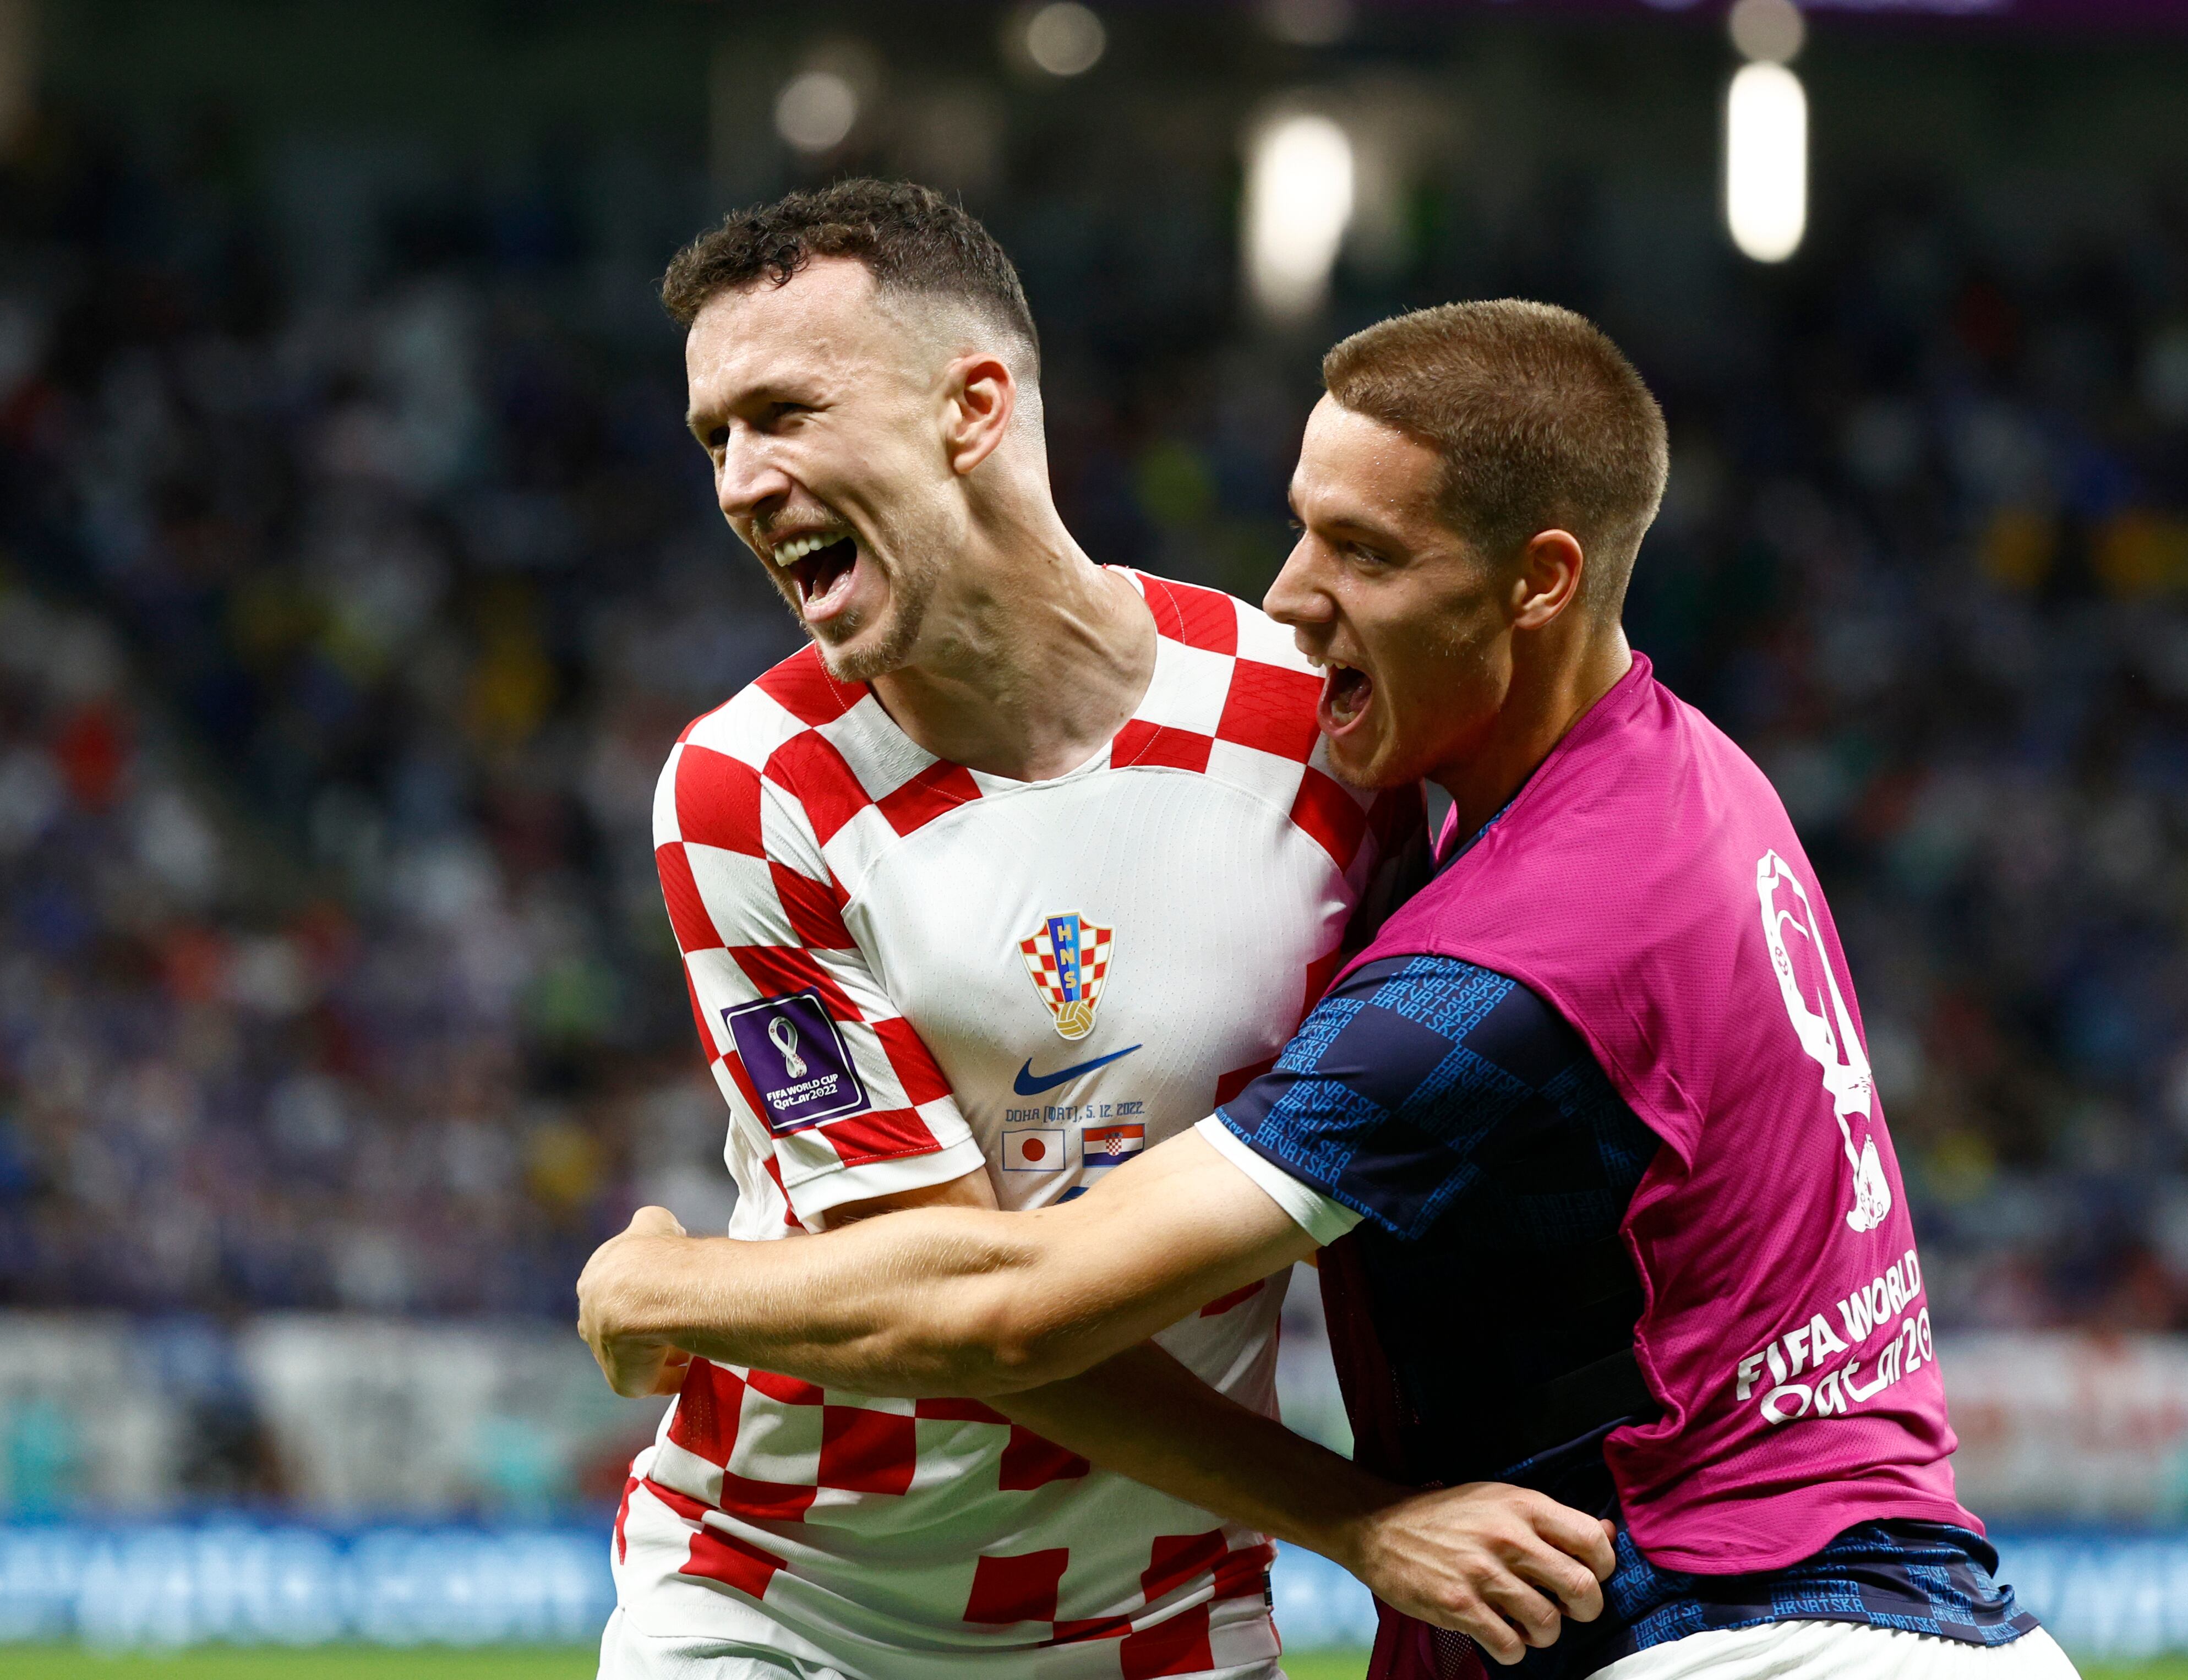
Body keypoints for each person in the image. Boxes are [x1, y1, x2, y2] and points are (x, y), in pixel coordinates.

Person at [582, 299, 2085, 1680]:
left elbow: (1017, 1310)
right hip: (1852, 1601)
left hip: (1738, 1631)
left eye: (1365, 553)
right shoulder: (1683, 773)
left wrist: (667, 1289)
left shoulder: (1499, 955)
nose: (1294, 599)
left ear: (1537, 582)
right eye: (1302, 533)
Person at [599, 183, 1613, 1680]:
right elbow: (959, 1306)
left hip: (1159, 1627)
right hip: (783, 1595)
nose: (746, 480)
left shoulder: (1314, 726)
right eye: (717, 440)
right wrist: (1361, 1523)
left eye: (786, 412)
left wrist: (666, 1289)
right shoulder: (754, 788)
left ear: (974, 407)